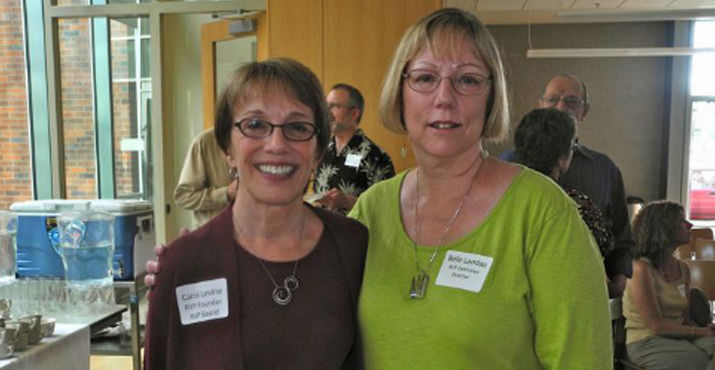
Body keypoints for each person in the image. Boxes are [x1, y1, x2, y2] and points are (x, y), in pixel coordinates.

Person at [147, 8, 612, 369]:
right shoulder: (373, 212)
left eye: (468, 80)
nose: (444, 97)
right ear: (401, 92)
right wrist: (187, 268)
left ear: (491, 97)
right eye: (425, 78)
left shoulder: (542, 214)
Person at [143, 58, 367, 370]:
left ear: (317, 151)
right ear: (227, 149)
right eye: (255, 125)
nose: (276, 144)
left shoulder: (353, 246)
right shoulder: (184, 265)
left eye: (297, 127)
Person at [502, 73, 633, 298]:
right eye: (553, 100)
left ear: (584, 111)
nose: (561, 107)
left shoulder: (604, 169)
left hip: (585, 292)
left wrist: (619, 281)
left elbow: (621, 236)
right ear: (541, 105)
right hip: (517, 292)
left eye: (571, 101)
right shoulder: (506, 166)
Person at [622, 200, 715, 369]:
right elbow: (656, 326)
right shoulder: (640, 268)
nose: (690, 225)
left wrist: (708, 331)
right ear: (663, 228)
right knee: (697, 360)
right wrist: (702, 332)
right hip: (646, 340)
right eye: (682, 221)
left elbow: (685, 320)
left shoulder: (683, 268)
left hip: (679, 336)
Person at [513, 108, 615, 260]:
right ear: (562, 159)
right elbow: (601, 249)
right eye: (573, 146)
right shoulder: (578, 207)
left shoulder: (498, 197)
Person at [312, 83, 395, 213]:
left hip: (356, 231)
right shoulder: (322, 150)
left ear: (354, 113)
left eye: (335, 106)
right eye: (326, 106)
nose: (327, 112)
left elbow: (385, 206)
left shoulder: (375, 156)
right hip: (322, 230)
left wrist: (347, 202)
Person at [173, 128, 237, 229]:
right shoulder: (203, 143)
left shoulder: (261, 142)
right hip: (212, 237)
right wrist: (225, 194)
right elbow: (183, 197)